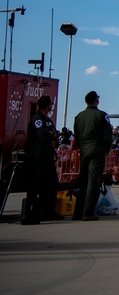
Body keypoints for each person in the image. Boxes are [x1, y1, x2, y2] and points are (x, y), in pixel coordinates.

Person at [72, 90, 113, 221]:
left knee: (83, 180)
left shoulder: (79, 116)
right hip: (97, 148)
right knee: (93, 181)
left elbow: (76, 136)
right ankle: (88, 211)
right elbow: (107, 135)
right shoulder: (102, 115)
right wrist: (106, 149)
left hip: (84, 149)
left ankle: (78, 211)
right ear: (97, 100)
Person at [24, 94, 61, 222]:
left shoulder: (48, 120)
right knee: (36, 183)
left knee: (52, 183)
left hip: (47, 154)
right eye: (50, 103)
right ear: (48, 105)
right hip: (38, 154)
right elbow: (44, 137)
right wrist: (50, 134)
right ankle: (33, 211)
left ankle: (49, 211)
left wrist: (51, 134)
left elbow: (55, 135)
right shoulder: (37, 119)